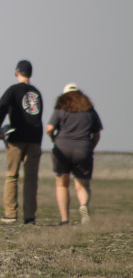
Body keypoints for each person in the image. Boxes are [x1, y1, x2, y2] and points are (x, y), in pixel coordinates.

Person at [0, 59, 43, 225]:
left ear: (17, 72)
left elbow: (2, 106)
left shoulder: (13, 90)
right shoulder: (36, 92)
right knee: (31, 179)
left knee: (12, 176)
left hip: (16, 140)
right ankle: (30, 216)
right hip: (35, 139)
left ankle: (10, 214)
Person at [46, 83, 102, 225]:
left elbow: (49, 128)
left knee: (62, 185)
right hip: (83, 148)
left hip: (62, 148)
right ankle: (83, 205)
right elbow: (97, 134)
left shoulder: (61, 109)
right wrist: (90, 147)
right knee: (82, 184)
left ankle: (65, 219)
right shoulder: (90, 110)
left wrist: (54, 139)